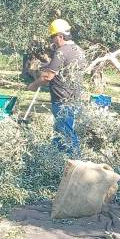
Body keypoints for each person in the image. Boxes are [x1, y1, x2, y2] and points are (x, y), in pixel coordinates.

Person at [28, 19, 85, 156]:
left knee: (67, 135)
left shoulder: (62, 52)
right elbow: (64, 68)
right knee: (59, 134)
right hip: (74, 98)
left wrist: (33, 85)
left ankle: (76, 161)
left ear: (60, 36)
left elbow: (48, 76)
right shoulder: (79, 50)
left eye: (53, 37)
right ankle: (54, 159)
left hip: (62, 100)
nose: (52, 41)